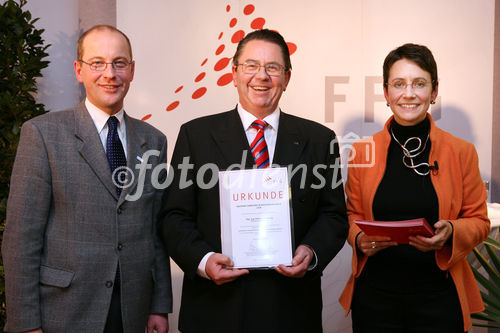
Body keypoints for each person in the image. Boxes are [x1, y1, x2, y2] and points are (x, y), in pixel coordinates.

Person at [160, 29, 348, 333]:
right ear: (234, 74)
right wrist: (204, 260)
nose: (261, 76)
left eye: (272, 67)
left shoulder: (319, 140)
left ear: (287, 78)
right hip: (216, 309)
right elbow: (174, 216)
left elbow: (334, 216)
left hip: (290, 310)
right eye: (250, 66)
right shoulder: (196, 136)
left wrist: (311, 252)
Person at [2, 25, 172, 333]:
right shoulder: (42, 134)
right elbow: (21, 238)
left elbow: (155, 232)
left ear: (131, 71)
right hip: (64, 311)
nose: (110, 73)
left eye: (119, 63)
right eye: (97, 63)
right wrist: (25, 323)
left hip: (133, 312)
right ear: (79, 70)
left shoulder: (154, 141)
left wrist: (159, 306)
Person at [339, 43, 490, 332]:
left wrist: (452, 232)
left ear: (433, 92)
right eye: (399, 84)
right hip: (375, 299)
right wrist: (359, 239)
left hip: (439, 297)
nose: (408, 94)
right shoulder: (362, 151)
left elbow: (480, 221)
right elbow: (349, 215)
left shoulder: (462, 151)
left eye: (419, 83)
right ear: (386, 93)